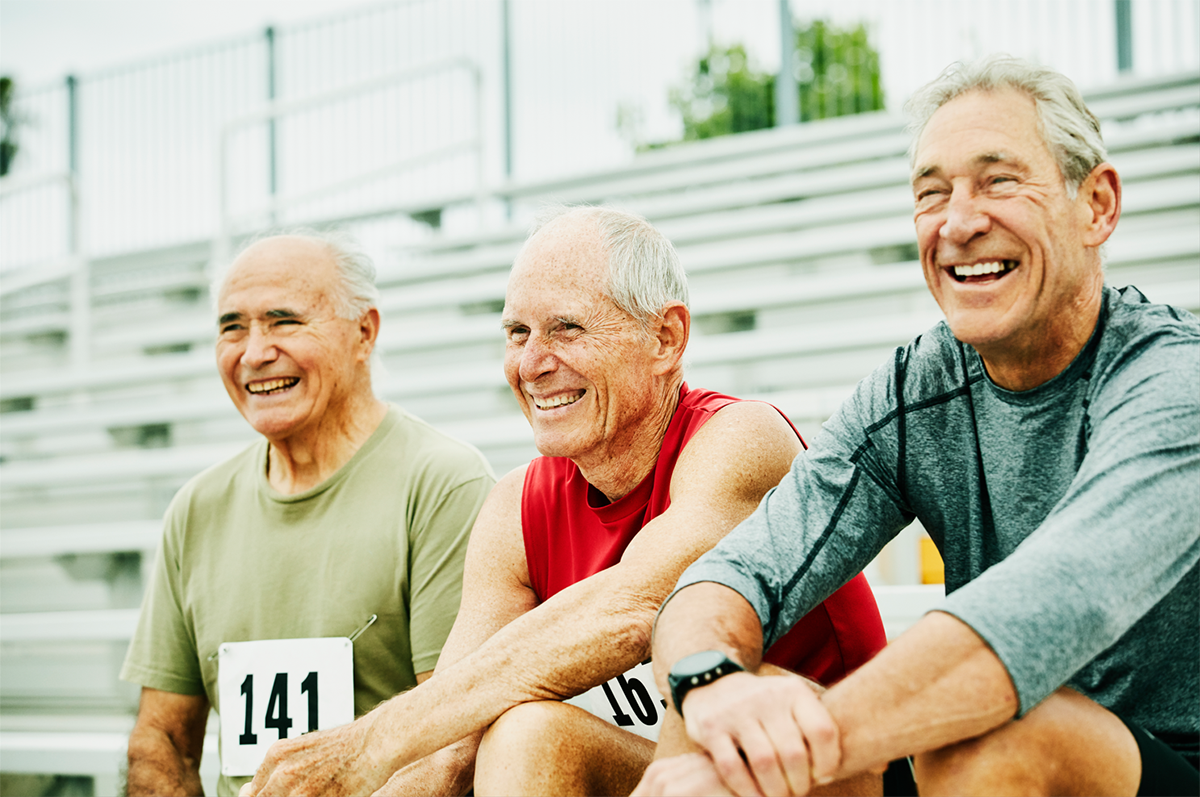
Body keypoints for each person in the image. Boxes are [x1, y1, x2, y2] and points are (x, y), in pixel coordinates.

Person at [636, 55, 1199, 797]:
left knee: (986, 737)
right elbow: (731, 573)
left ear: (1095, 204)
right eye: (933, 193)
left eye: (999, 181)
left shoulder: (1172, 383)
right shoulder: (914, 389)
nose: (960, 222)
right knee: (722, 707)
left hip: (1164, 761)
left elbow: (1039, 614)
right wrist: (710, 680)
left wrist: (787, 757)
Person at [239, 206, 888, 797]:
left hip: (829, 765)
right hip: (671, 773)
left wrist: (370, 741)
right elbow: (448, 744)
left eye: (565, 329)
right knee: (518, 732)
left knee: (544, 729)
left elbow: (634, 608)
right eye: (516, 332)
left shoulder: (742, 439)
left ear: (665, 338)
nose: (532, 362)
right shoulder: (515, 507)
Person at [120, 231, 496, 796]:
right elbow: (162, 741)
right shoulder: (196, 508)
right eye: (232, 327)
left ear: (364, 332)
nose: (253, 353)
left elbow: (454, 743)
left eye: (284, 321)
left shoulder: (443, 483)